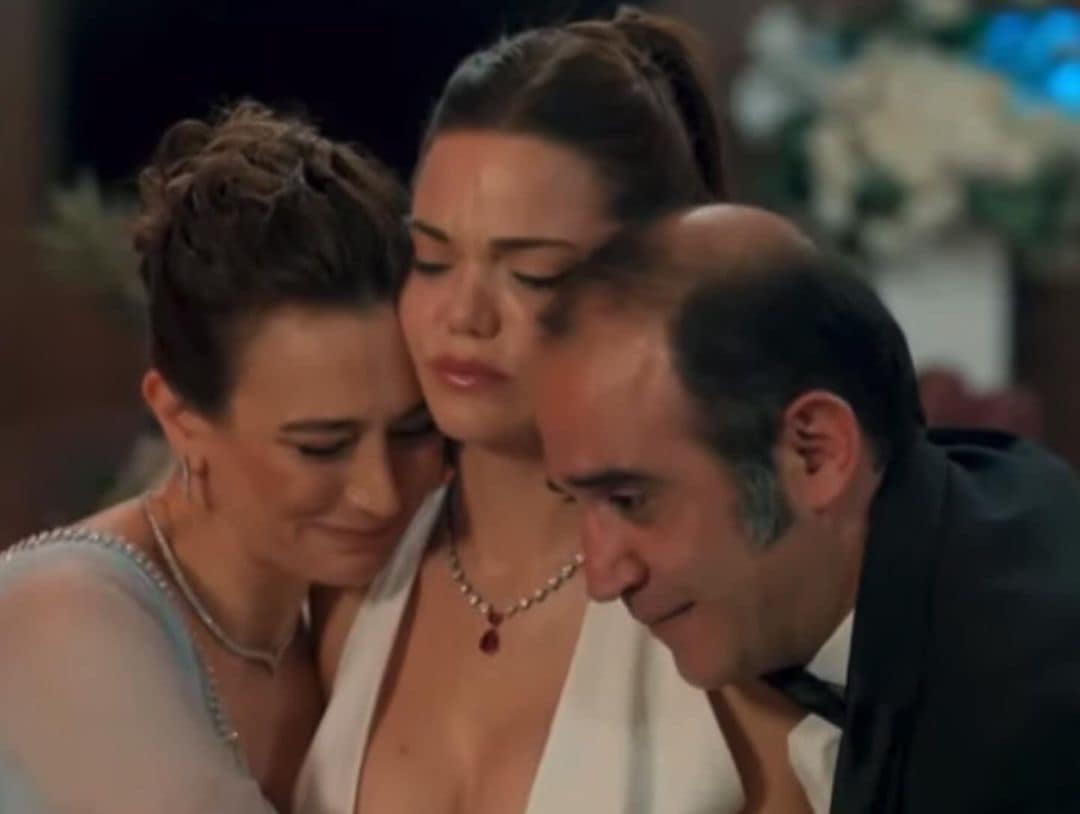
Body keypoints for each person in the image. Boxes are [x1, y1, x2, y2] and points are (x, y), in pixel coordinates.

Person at [296, 9, 817, 814]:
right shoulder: (345, 582)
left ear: (656, 279)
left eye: (531, 274)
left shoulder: (729, 610)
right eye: (431, 259)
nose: (462, 315)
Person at [534, 203, 1080, 813]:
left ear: (815, 453)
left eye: (630, 500)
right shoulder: (947, 515)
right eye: (575, 502)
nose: (602, 578)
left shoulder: (1025, 722)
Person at [0, 101, 444, 812]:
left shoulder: (343, 625)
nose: (381, 492)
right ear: (180, 419)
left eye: (413, 431)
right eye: (321, 446)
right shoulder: (63, 611)